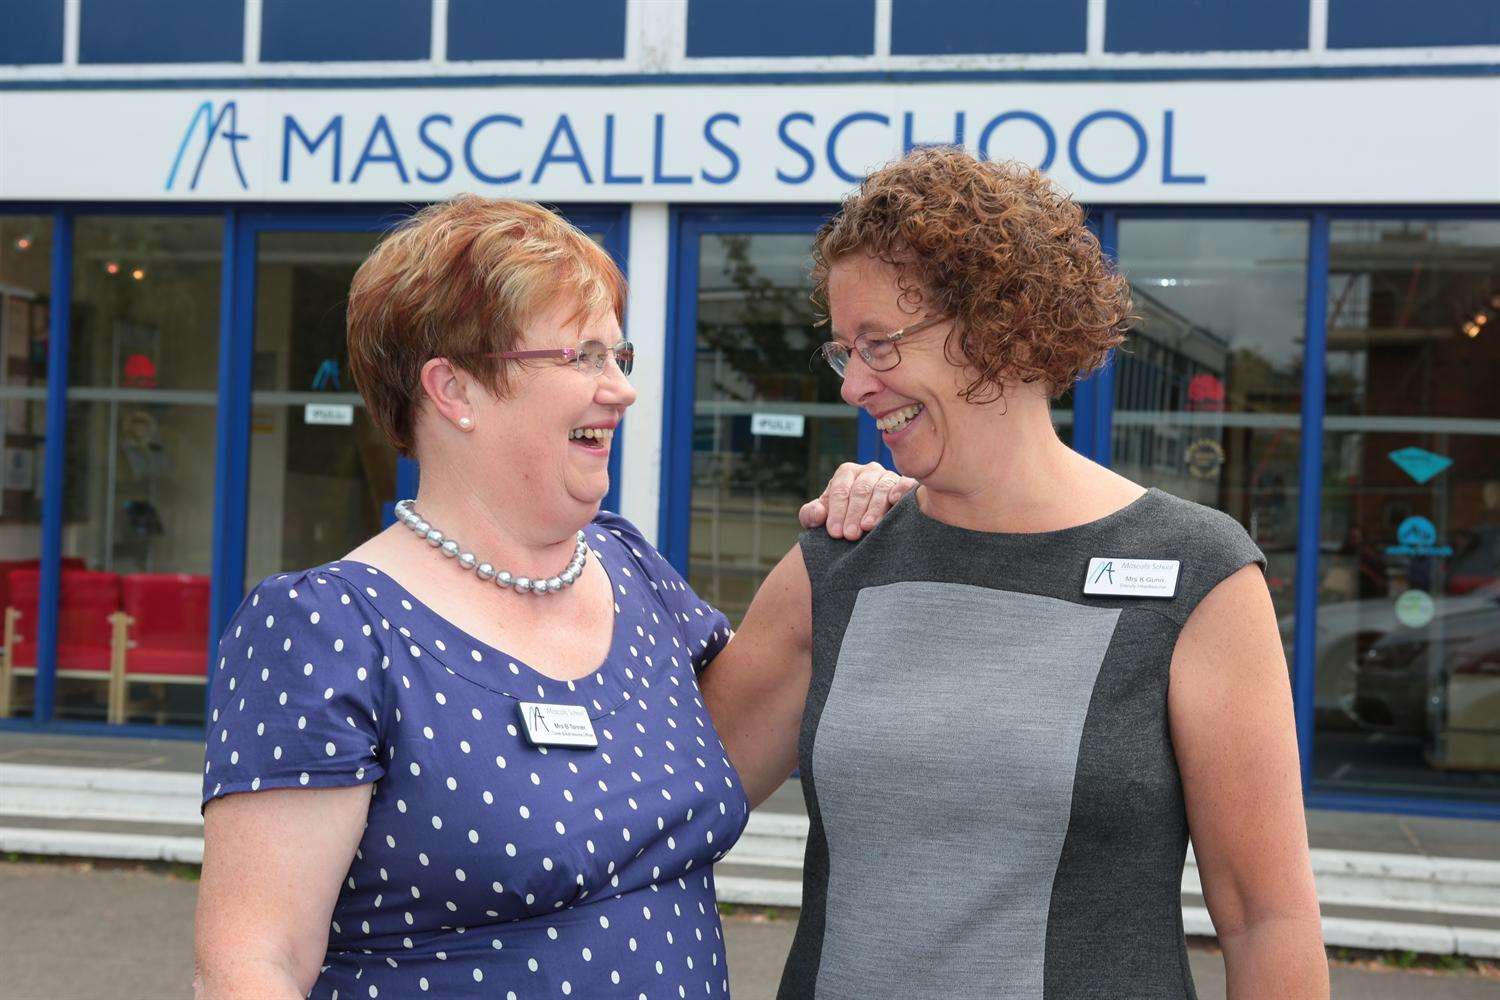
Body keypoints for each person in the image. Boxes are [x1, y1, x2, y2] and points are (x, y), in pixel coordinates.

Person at [192, 195, 909, 999]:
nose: (621, 390)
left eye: (618, 356)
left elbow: (744, 732)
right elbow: (255, 965)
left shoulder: (629, 568)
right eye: (582, 358)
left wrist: (861, 525)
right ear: (453, 390)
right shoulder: (327, 628)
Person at [703, 149, 1329, 999]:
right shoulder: (838, 562)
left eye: (880, 345)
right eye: (843, 350)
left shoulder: (1196, 574)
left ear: (1005, 328)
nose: (854, 385)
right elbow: (655, 810)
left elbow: (1266, 919)